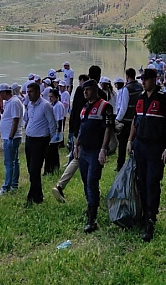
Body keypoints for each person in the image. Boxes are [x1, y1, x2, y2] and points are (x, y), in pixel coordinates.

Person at [127, 68, 166, 242]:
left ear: (155, 80)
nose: (144, 82)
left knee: (152, 182)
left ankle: (150, 219)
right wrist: (130, 140)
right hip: (140, 144)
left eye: (147, 79)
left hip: (155, 146)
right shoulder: (140, 98)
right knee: (140, 181)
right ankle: (143, 214)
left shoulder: (165, 99)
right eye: (143, 79)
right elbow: (135, 121)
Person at [52, 67, 107, 202]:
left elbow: (75, 110)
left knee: (77, 157)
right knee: (79, 159)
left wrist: (73, 130)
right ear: (99, 76)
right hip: (92, 136)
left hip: (79, 130)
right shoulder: (101, 94)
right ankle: (62, 185)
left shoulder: (79, 90)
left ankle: (64, 186)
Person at [74, 79, 115, 233]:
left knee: (92, 181)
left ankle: (92, 219)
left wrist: (103, 149)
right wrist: (76, 146)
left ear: (95, 90)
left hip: (95, 151)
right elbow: (81, 128)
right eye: (84, 90)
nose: (86, 92)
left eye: (89, 90)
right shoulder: (84, 107)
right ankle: (91, 205)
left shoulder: (105, 106)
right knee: (86, 181)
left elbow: (108, 129)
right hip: (83, 150)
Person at [23, 82, 57, 205]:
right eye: (28, 92)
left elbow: (53, 124)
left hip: (40, 140)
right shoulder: (30, 105)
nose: (29, 95)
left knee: (35, 169)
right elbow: (27, 120)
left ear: (38, 92)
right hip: (29, 139)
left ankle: (33, 197)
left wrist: (49, 140)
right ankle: (37, 194)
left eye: (31, 92)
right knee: (30, 169)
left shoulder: (45, 105)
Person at [0, 84, 24, 197]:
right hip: (10, 136)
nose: (0, 96)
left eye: (0, 93)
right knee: (14, 161)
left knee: (9, 162)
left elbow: (15, 120)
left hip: (11, 137)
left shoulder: (14, 102)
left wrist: (11, 136)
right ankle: (13, 185)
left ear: (5, 92)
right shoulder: (11, 102)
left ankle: (6, 186)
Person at [114, 69, 143, 172]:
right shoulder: (140, 86)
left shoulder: (127, 89)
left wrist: (117, 119)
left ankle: (120, 166)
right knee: (135, 143)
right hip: (137, 118)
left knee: (122, 144)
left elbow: (123, 107)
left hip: (127, 121)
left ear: (127, 76)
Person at [43, 88, 65, 175]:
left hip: (55, 132)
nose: (50, 98)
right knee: (52, 152)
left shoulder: (58, 106)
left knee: (51, 152)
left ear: (56, 97)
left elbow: (59, 120)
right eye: (49, 97)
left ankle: (50, 169)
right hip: (52, 131)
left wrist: (57, 133)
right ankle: (52, 168)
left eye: (52, 97)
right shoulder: (53, 105)